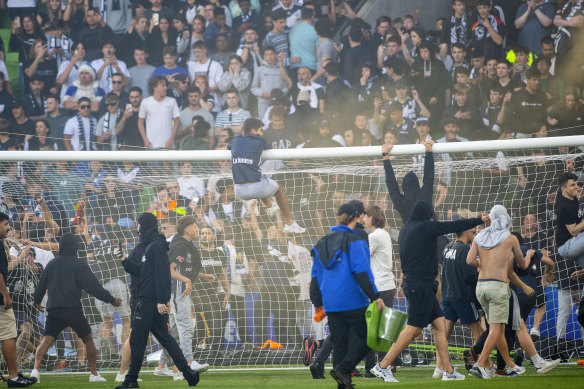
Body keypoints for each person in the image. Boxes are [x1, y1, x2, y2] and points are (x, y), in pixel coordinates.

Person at [371, 200, 486, 382]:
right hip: (420, 286)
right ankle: (383, 366)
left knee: (439, 325)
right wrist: (478, 219)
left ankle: (448, 371)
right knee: (414, 329)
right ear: (428, 215)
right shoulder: (425, 227)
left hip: (416, 284)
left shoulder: (406, 229)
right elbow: (453, 225)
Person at [115, 212, 200, 388]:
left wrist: (162, 300)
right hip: (150, 300)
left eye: (139, 224)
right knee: (165, 338)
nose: (137, 228)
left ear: (145, 225)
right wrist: (124, 259)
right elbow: (140, 272)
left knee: (138, 340)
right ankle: (188, 373)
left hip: (149, 300)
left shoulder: (157, 245)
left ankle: (131, 380)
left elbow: (162, 273)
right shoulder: (150, 246)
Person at [310, 203, 385, 389]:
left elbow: (314, 277)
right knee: (368, 338)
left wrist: (317, 302)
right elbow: (362, 272)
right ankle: (344, 369)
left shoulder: (321, 243)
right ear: (357, 217)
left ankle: (343, 384)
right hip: (352, 299)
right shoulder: (355, 240)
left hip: (331, 303)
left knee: (340, 344)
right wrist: (375, 296)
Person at [31, 232, 122, 383]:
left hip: (54, 309)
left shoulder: (52, 264)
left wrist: (36, 302)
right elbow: (93, 287)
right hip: (73, 309)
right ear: (75, 246)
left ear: (60, 245)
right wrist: (111, 299)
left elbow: (41, 285)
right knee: (88, 339)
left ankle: (35, 370)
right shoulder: (79, 264)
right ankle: (94, 374)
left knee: (46, 340)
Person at [466, 205, 530, 379]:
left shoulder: (480, 236)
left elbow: (470, 260)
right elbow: (522, 265)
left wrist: (483, 265)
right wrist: (530, 255)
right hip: (498, 286)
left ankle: (509, 365)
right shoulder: (510, 239)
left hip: (481, 287)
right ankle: (480, 365)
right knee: (496, 328)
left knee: (497, 327)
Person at [229, 118, 305, 235]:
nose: (262, 133)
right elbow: (273, 149)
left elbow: (228, 147)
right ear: (254, 131)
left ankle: (270, 206)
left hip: (239, 191)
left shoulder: (235, 140)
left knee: (262, 176)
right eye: (260, 130)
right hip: (256, 188)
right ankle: (290, 223)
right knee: (278, 188)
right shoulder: (259, 139)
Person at [157, 216, 209, 377]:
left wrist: (203, 276)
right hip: (178, 291)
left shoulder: (184, 244)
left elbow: (182, 268)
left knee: (174, 333)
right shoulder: (180, 245)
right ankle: (189, 362)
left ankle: (161, 366)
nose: (197, 229)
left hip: (179, 290)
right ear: (187, 229)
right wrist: (187, 280)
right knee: (186, 327)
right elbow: (169, 269)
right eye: (195, 226)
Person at [0, 212, 38, 388]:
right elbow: (3, 269)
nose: (9, 228)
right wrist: (6, 295)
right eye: (6, 224)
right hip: (3, 298)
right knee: (9, 335)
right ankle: (14, 377)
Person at [441, 226, 483, 346]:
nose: (475, 235)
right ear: (466, 232)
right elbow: (468, 275)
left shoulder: (447, 247)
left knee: (445, 332)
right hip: (463, 296)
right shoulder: (464, 249)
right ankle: (482, 363)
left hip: (447, 296)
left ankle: (440, 363)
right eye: (473, 232)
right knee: (478, 331)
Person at [382, 141, 434, 222]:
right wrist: (428, 148)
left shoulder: (401, 202)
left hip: (410, 234)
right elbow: (429, 175)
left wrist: (385, 155)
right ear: (417, 185)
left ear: (403, 186)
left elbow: (391, 182)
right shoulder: (425, 196)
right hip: (430, 233)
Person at [138, 76, 180, 149]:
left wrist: (171, 139)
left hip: (168, 146)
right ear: (154, 87)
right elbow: (140, 122)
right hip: (151, 146)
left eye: (165, 85)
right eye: (162, 85)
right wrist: (145, 140)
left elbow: (177, 122)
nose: (165, 87)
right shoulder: (145, 102)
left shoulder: (172, 101)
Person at [556, 172, 584, 268]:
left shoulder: (564, 195)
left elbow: (563, 183)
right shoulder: (565, 206)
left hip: (576, 241)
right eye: (573, 185)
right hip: (567, 246)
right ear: (564, 189)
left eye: (576, 184)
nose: (577, 187)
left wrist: (569, 170)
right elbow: (573, 231)